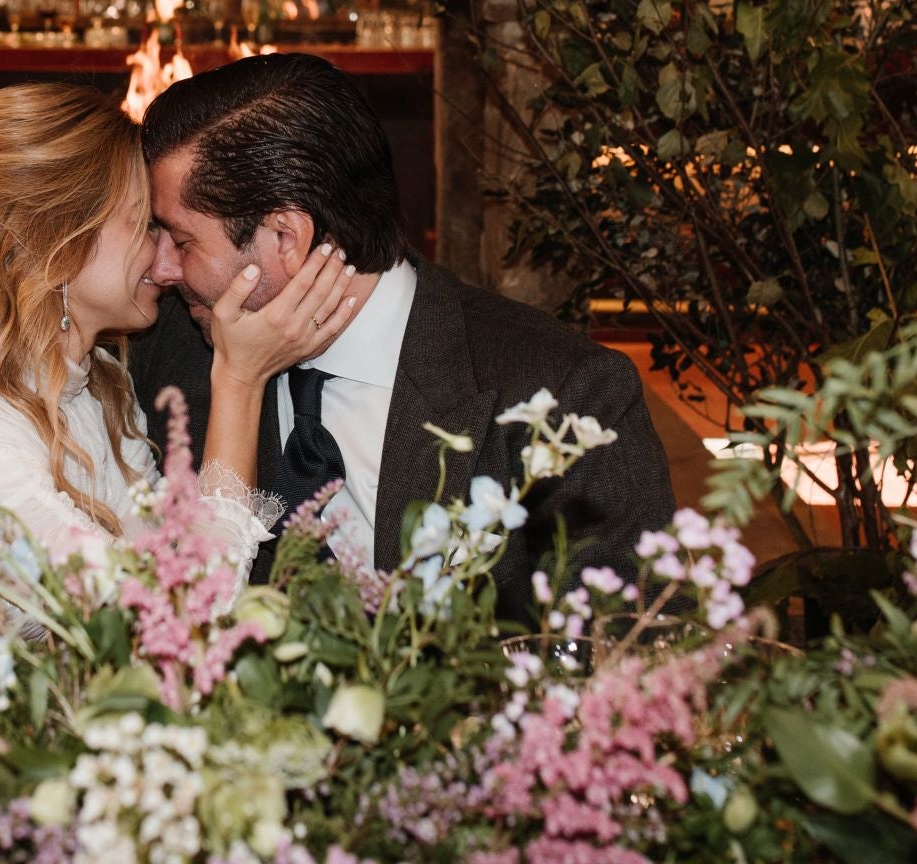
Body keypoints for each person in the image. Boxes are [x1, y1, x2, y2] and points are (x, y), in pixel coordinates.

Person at [0, 83, 359, 634]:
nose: (169, 264)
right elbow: (175, 617)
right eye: (145, 227)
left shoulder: (97, 383)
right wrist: (240, 380)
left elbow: (162, 558)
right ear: (54, 242)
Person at [131, 52, 677, 614]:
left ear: (286, 236)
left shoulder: (565, 394)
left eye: (182, 240)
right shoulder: (173, 354)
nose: (161, 269)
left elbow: (634, 654)